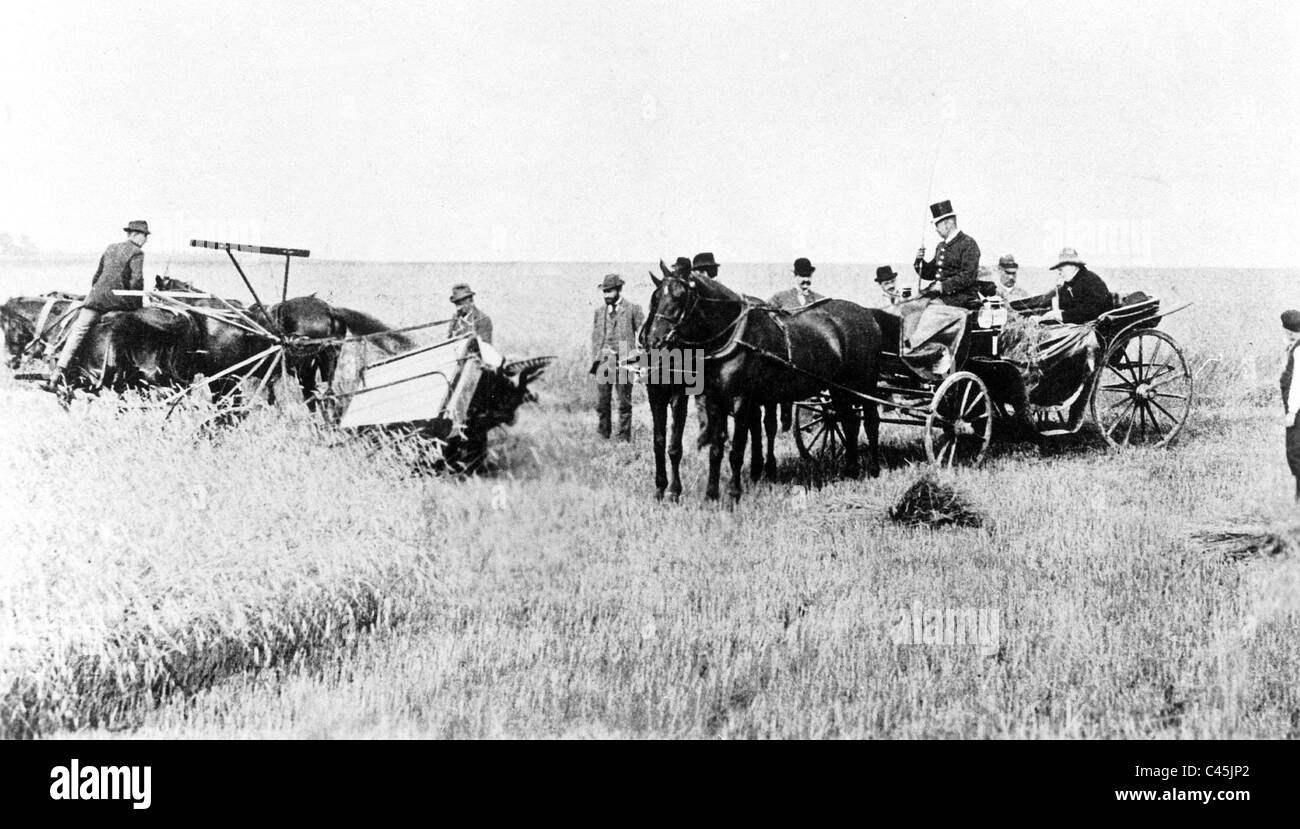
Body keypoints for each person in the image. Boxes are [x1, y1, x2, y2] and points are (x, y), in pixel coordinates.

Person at [45, 220, 150, 390]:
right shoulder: (137, 253)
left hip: (96, 299)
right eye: (145, 236)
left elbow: (97, 276)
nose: (146, 240)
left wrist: (96, 294)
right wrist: (136, 303)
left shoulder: (110, 248)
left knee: (79, 331)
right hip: (119, 301)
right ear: (135, 235)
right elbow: (136, 279)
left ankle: (58, 371)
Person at [590, 273, 644, 441]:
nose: (606, 296)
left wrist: (638, 360)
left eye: (610, 291)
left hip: (625, 361)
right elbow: (596, 337)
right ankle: (603, 434)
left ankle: (623, 437)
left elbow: (642, 333)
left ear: (619, 290)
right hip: (604, 361)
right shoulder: (599, 312)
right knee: (602, 402)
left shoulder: (633, 309)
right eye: (604, 292)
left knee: (624, 403)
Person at [913, 200, 981, 310]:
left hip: (960, 296)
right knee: (910, 306)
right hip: (940, 295)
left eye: (937, 225)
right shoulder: (941, 246)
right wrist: (919, 260)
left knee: (926, 310)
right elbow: (931, 273)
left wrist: (943, 286)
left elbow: (968, 275)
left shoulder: (968, 243)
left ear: (947, 224)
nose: (936, 229)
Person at [1029, 247, 1114, 324]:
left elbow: (1094, 311)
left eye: (1062, 267)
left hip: (1096, 333)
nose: (1059, 271)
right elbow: (1063, 309)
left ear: (1074, 265)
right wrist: (1044, 317)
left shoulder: (1092, 281)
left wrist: (1062, 316)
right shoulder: (1067, 286)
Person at [1281, 310, 1300, 502]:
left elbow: (1297, 384)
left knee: (1295, 451)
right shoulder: (1295, 348)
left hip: (1298, 409)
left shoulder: (1299, 350)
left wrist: (1292, 412)